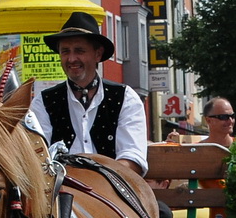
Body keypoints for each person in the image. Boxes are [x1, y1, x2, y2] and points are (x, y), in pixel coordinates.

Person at [32, 11, 149, 175]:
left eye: (79, 50)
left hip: (112, 189)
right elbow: (37, 155)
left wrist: (99, 178)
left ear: (98, 54)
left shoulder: (124, 98)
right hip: (61, 190)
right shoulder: (44, 102)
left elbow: (132, 157)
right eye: (65, 51)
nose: (71, 59)